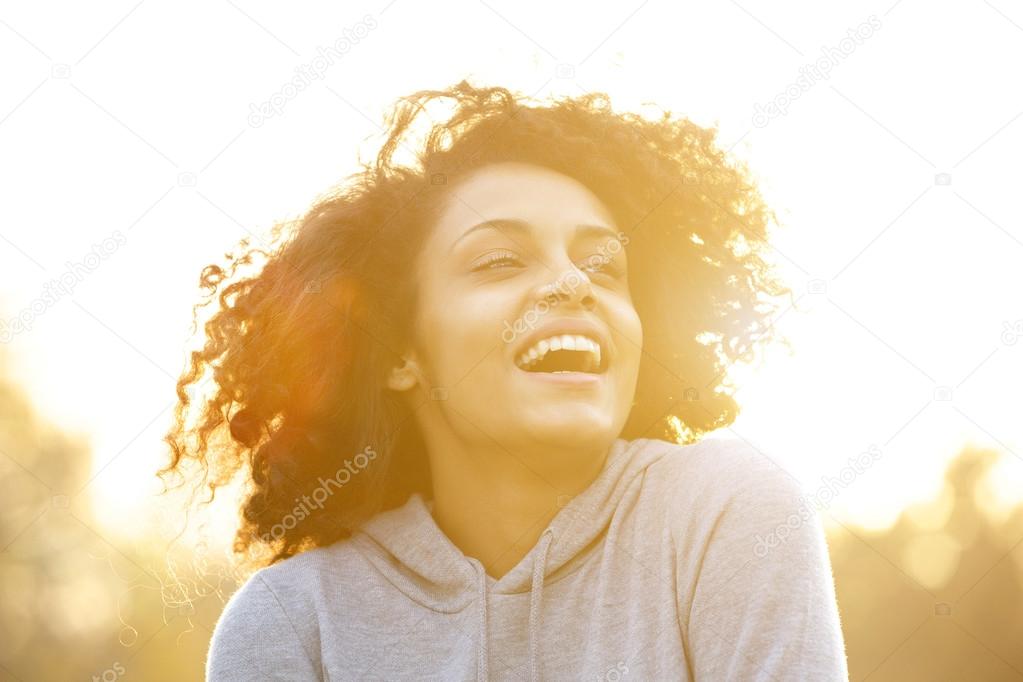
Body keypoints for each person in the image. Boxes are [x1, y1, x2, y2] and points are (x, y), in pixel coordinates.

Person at [159, 79, 849, 680]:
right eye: (498, 262)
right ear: (400, 351)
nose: (572, 283)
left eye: (604, 265)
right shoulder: (290, 624)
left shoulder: (725, 514)